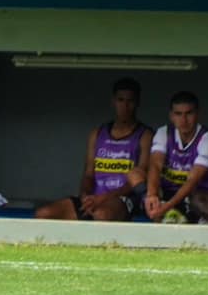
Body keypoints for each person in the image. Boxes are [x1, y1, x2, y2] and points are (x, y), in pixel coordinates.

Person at [35, 77, 149, 221]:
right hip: (94, 197)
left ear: (137, 103)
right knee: (44, 213)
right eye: (120, 100)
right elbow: (88, 174)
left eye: (130, 101)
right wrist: (85, 195)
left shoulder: (145, 135)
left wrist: (104, 198)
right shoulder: (97, 133)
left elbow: (138, 180)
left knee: (102, 215)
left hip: (122, 199)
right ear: (113, 101)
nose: (125, 106)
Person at [142, 90, 208, 226]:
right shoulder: (164, 132)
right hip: (168, 195)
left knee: (198, 200)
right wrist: (152, 194)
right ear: (171, 116)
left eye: (189, 113)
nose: (183, 120)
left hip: (199, 197)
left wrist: (166, 207)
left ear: (198, 114)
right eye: (178, 114)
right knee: (135, 174)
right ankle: (166, 214)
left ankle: (174, 215)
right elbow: (155, 165)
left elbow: (192, 181)